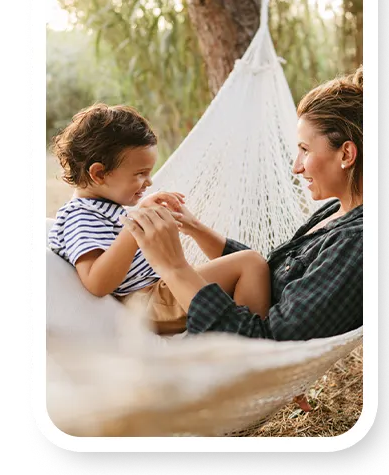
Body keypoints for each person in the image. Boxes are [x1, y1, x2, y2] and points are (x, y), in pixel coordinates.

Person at [122, 66, 363, 341]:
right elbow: (265, 274)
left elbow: (263, 342)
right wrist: (196, 228)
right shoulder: (338, 211)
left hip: (229, 365)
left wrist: (174, 267)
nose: (296, 167)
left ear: (346, 154)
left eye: (305, 150)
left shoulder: (357, 244)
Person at [48, 104, 271, 335]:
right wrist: (135, 227)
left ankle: (239, 340)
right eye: (140, 174)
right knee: (250, 263)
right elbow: (96, 282)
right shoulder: (80, 216)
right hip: (146, 301)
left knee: (245, 266)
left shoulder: (103, 208)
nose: (149, 182)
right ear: (99, 174)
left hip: (158, 293)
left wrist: (142, 211)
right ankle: (251, 346)